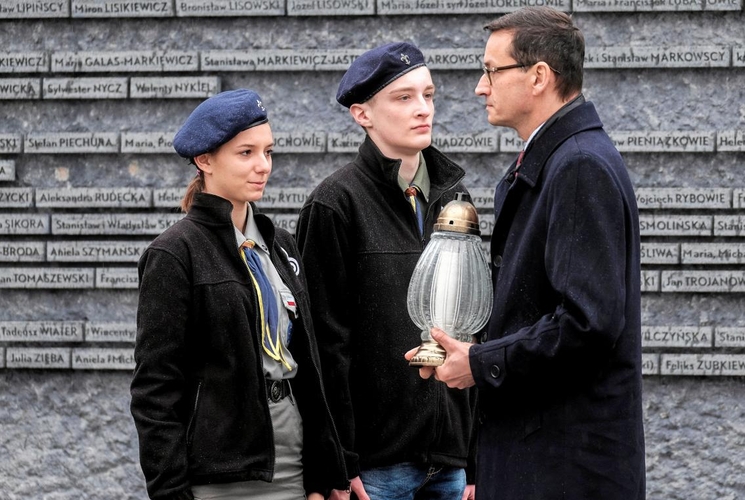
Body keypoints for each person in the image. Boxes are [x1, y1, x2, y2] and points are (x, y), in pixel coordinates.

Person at [407, 8, 646, 499]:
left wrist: (481, 362)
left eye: (492, 70)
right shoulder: (558, 161)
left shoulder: (578, 166)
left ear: (539, 76)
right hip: (542, 459)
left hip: (562, 469)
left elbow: (587, 324)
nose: (480, 86)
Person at [130, 89, 349, 500]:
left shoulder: (280, 244)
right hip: (220, 476)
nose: (262, 166)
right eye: (246, 153)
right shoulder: (175, 254)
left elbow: (311, 363)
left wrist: (326, 469)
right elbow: (155, 391)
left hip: (294, 461)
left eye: (268, 152)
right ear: (205, 160)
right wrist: (170, 492)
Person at [296, 43, 476, 500]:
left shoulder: (456, 200)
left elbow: (476, 325)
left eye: (429, 95)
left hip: (451, 461)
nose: (423, 109)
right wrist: (339, 459)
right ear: (362, 114)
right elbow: (324, 345)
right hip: (376, 467)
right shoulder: (334, 204)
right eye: (403, 98)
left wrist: (474, 454)